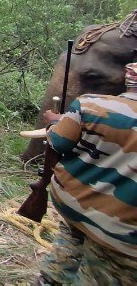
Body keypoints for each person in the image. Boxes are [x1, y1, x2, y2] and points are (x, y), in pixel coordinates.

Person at [37, 62, 137, 284]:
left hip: (75, 204)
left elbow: (58, 143)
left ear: (127, 80)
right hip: (122, 231)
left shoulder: (91, 103)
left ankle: (50, 280)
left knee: (71, 239)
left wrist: (56, 124)